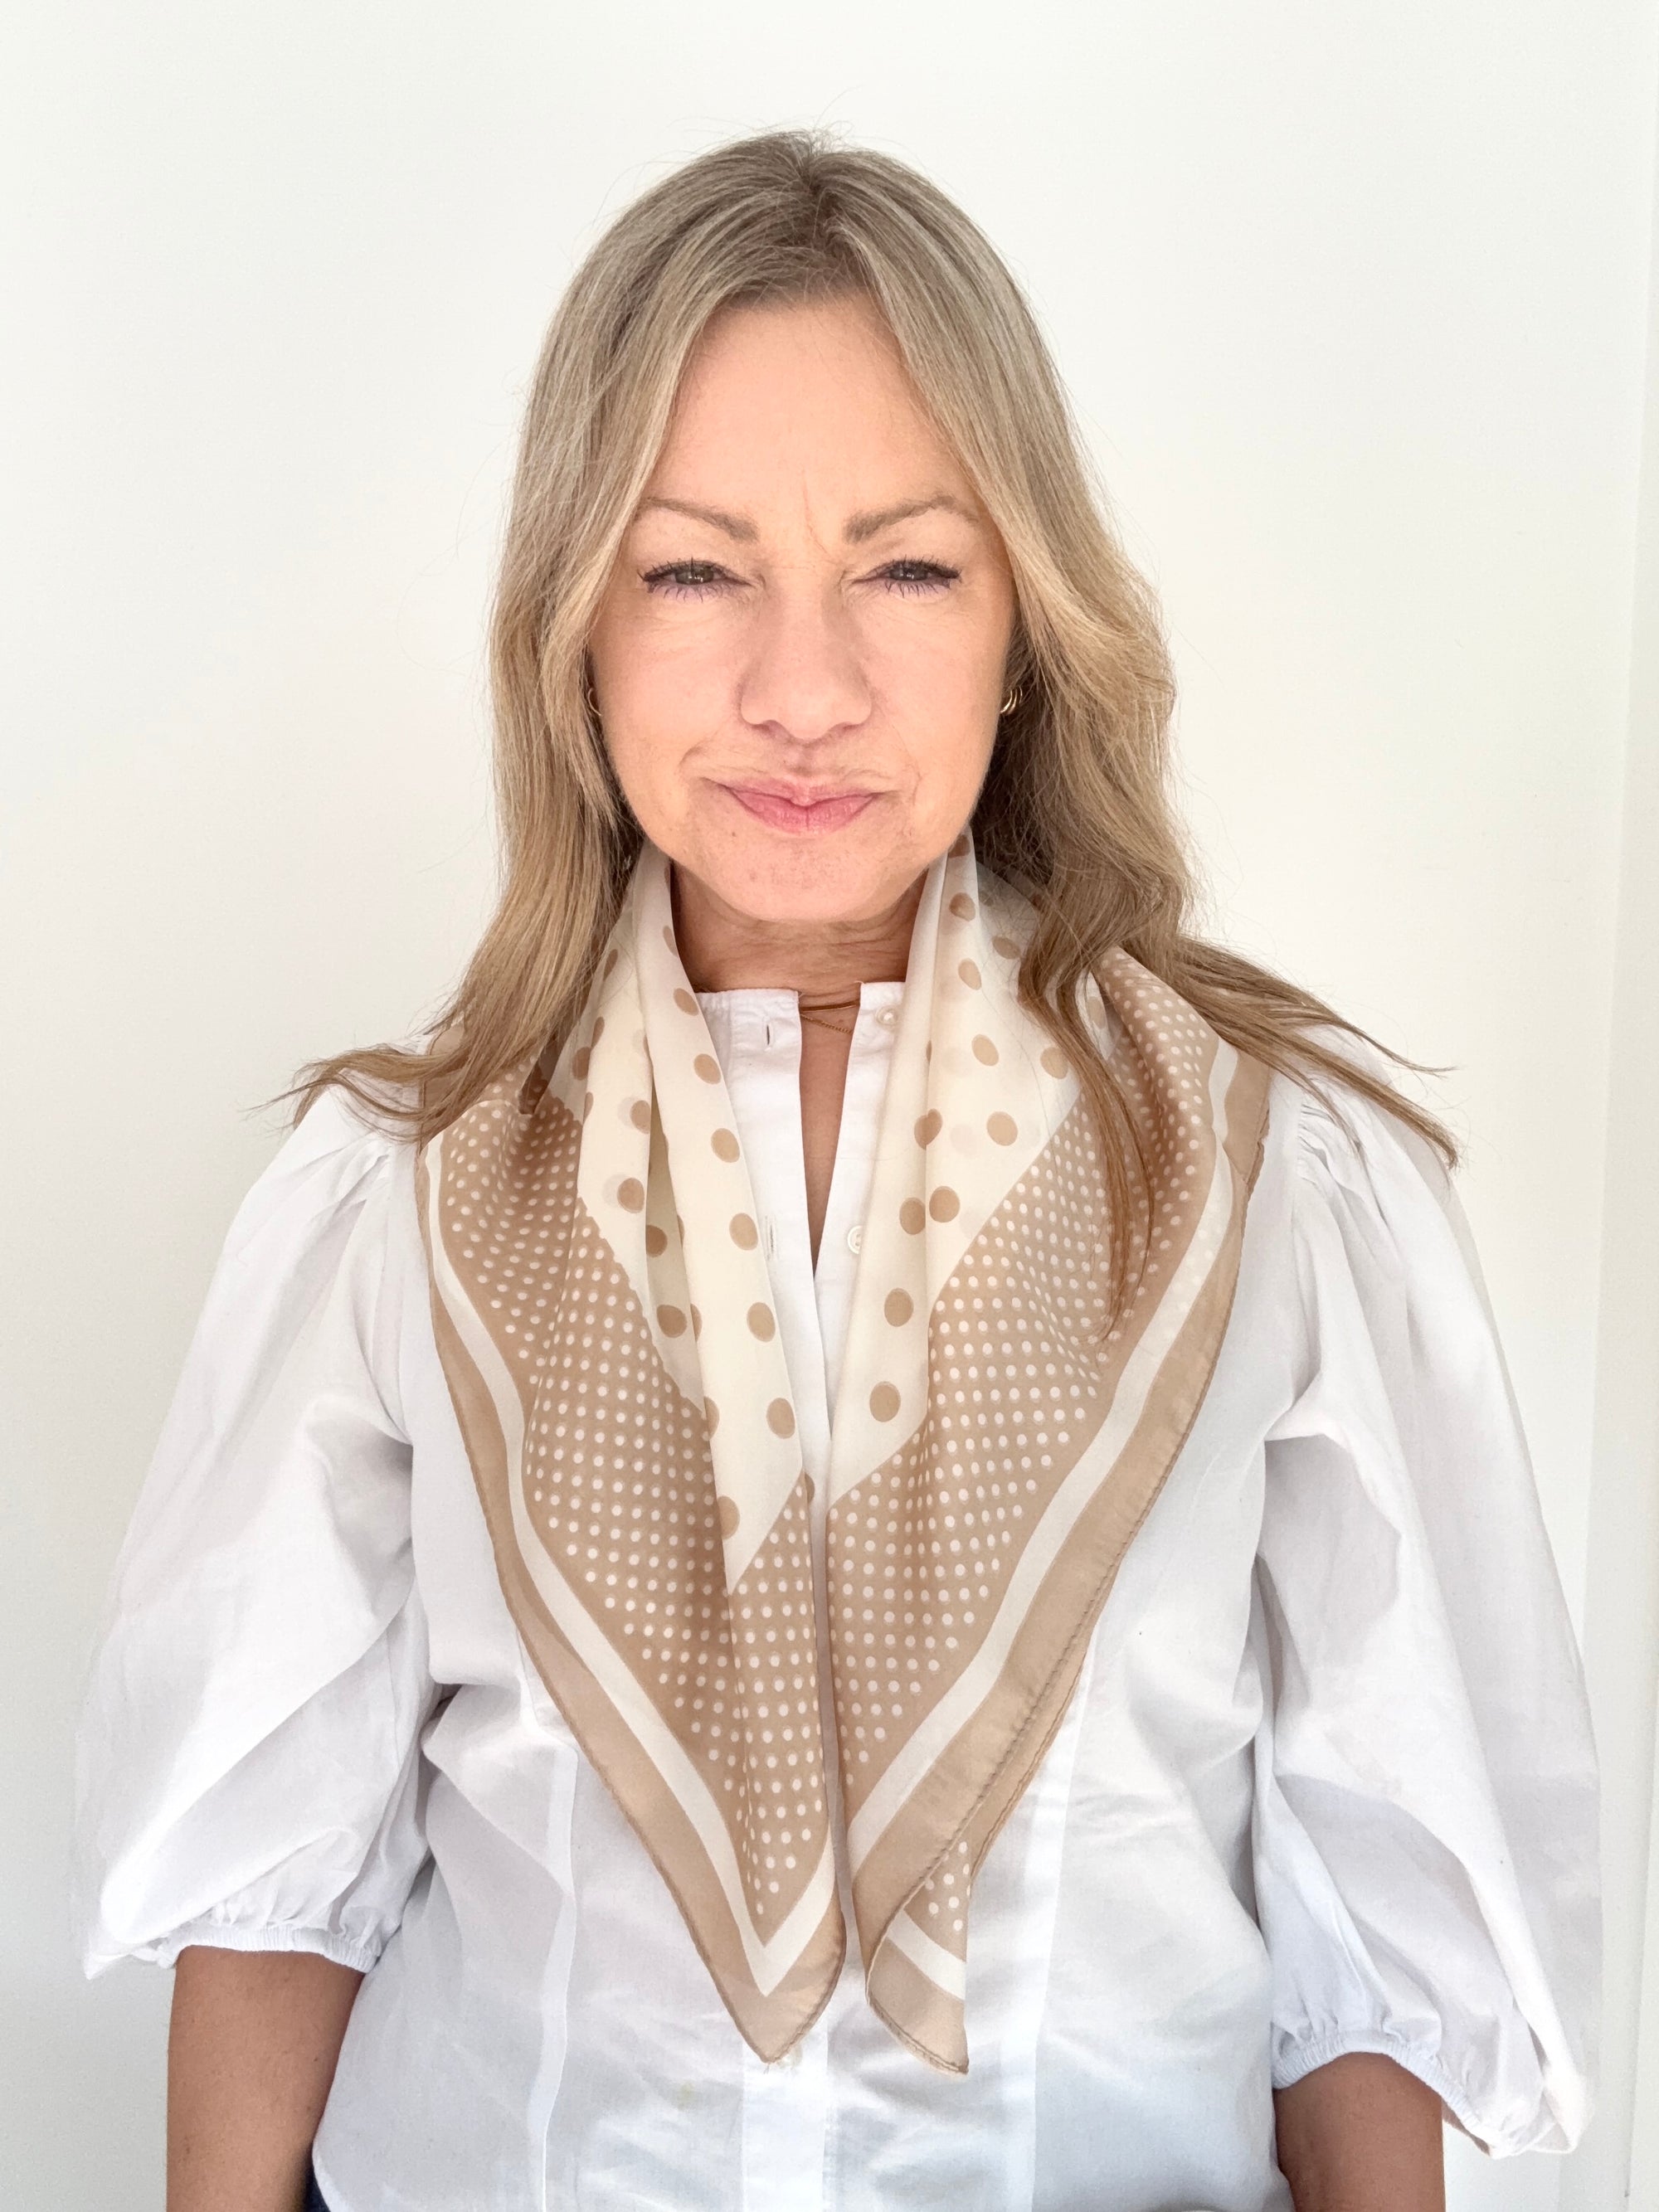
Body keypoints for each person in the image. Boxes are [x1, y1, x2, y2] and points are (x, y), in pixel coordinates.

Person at [73, 129, 1598, 2212]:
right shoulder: (396, 1201)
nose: (803, 691)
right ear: (574, 625)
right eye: (692, 571)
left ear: (1025, 620)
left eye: (908, 569)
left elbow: (1364, 1933)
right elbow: (280, 1886)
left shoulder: (1272, 1185)